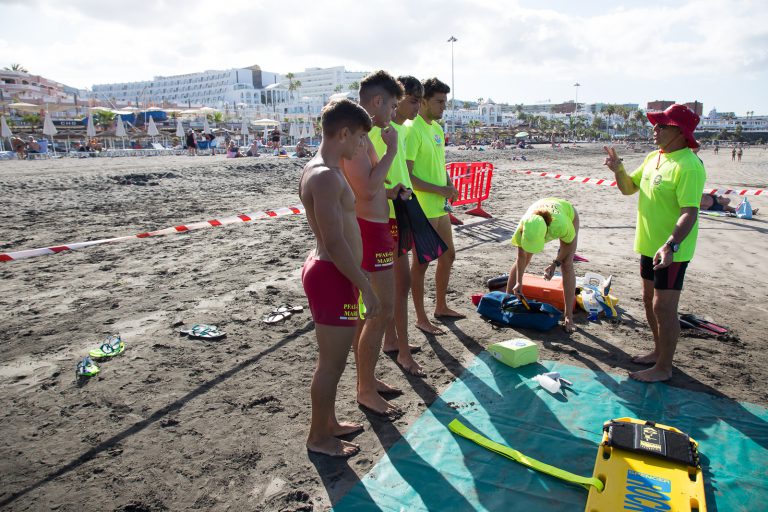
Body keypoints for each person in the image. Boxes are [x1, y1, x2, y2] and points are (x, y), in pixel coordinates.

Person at [299, 98, 380, 457]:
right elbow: (334, 241)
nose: (362, 145)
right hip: (332, 274)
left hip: (333, 270)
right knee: (331, 364)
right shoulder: (326, 176)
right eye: (360, 137)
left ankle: (328, 423)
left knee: (334, 361)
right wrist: (365, 287)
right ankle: (318, 437)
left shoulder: (321, 170)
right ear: (344, 133)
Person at [603, 104, 706, 383]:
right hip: (649, 246)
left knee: (664, 307)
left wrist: (671, 245)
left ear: (680, 131)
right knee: (649, 301)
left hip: (673, 250)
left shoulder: (689, 166)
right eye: (656, 124)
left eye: (662, 125)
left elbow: (690, 212)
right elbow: (628, 188)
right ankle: (659, 352)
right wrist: (618, 169)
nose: (655, 129)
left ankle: (664, 367)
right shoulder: (653, 157)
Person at [342, 70, 410, 417]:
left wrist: (390, 191)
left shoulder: (362, 136)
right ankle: (365, 389)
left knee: (369, 311)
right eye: (393, 105)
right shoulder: (358, 137)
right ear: (377, 101)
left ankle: (366, 380)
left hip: (371, 226)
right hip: (368, 230)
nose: (395, 113)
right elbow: (366, 191)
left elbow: (368, 187)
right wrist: (392, 150)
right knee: (380, 310)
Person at [363, 75, 426, 377]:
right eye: (412, 101)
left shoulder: (395, 131)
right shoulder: (379, 133)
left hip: (395, 212)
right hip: (384, 217)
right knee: (399, 287)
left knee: (393, 288)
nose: (417, 107)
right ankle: (403, 352)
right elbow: (367, 182)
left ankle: (392, 341)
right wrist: (390, 192)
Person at [405, 77, 462, 335]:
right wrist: (440, 190)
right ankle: (421, 318)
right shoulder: (412, 129)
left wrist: (449, 185)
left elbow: (439, 164)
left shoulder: (437, 129)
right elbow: (409, 176)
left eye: (445, 102)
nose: (443, 107)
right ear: (424, 101)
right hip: (421, 209)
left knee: (448, 256)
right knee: (421, 264)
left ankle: (441, 306)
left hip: (440, 207)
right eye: (439, 102)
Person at [505, 198, 579, 333]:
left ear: (546, 233)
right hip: (540, 208)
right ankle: (507, 301)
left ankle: (569, 316)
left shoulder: (560, 225)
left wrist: (555, 263)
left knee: (567, 264)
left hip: (567, 213)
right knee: (526, 258)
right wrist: (519, 282)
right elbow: (521, 257)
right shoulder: (523, 226)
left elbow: (568, 245)